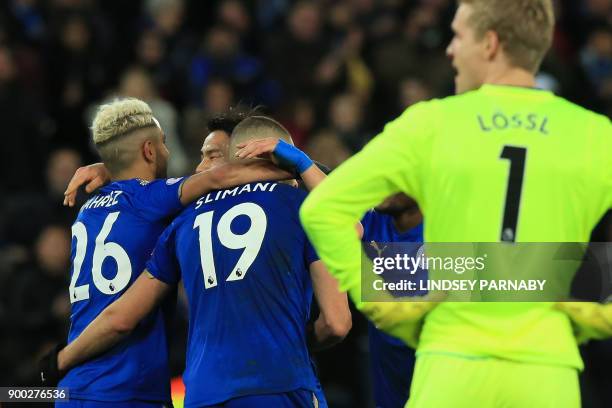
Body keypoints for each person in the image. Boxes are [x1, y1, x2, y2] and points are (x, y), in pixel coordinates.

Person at [300, 0, 611, 407]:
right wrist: (593, 317)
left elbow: (322, 208)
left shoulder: (430, 124)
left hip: (451, 363)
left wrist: (392, 309)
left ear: (491, 44)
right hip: (547, 369)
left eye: (459, 35)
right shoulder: (594, 134)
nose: (449, 49)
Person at [49, 116, 351, 408]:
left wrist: (59, 360)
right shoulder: (304, 205)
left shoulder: (181, 222)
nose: (200, 168)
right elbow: (337, 323)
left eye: (211, 156)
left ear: (241, 157)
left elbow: (122, 315)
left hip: (201, 393)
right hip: (280, 380)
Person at [361, 194, 423, 408]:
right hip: (390, 393)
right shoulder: (371, 220)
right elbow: (327, 197)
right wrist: (302, 165)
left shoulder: (451, 229)